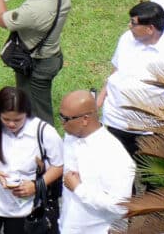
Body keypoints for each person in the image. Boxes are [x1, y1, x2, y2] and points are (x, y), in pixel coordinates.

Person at [98, 0, 164, 170]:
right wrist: (98, 102)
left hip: (149, 130)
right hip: (115, 121)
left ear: (150, 28)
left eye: (133, 23)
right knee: (117, 171)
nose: (129, 26)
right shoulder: (126, 39)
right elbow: (115, 72)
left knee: (152, 176)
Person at [0, 86, 64, 234]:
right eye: (6, 119)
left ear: (27, 114)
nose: (11, 124)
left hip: (25, 206)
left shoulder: (43, 131)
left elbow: (59, 165)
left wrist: (36, 186)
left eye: (17, 120)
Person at [0, 0, 71, 125]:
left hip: (38, 65)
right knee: (26, 99)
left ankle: (44, 147)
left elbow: (1, 18)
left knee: (40, 115)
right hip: (53, 56)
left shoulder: (33, 11)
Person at [57, 90, 135, 234]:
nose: (62, 123)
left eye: (65, 119)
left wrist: (79, 189)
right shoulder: (70, 137)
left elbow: (120, 207)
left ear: (85, 119)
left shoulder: (115, 156)